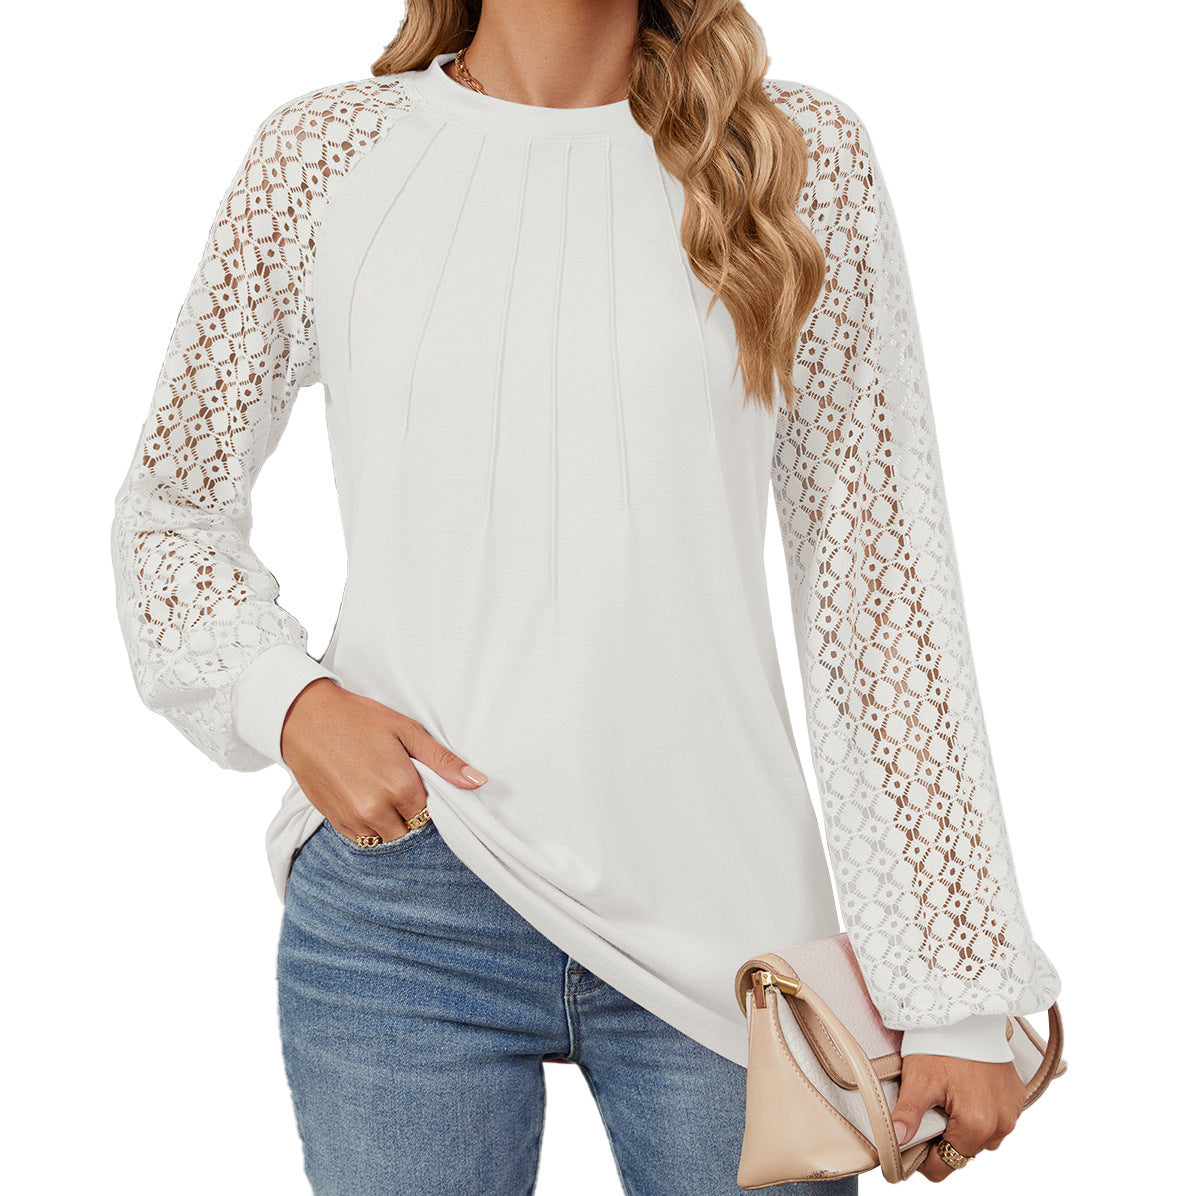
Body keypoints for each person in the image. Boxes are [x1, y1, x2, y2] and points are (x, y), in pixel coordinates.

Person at [109, 1, 1062, 1192]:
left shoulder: (791, 154)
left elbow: (879, 582)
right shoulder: (322, 157)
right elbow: (169, 508)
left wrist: (957, 992)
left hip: (729, 931)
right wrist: (288, 701)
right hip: (406, 904)